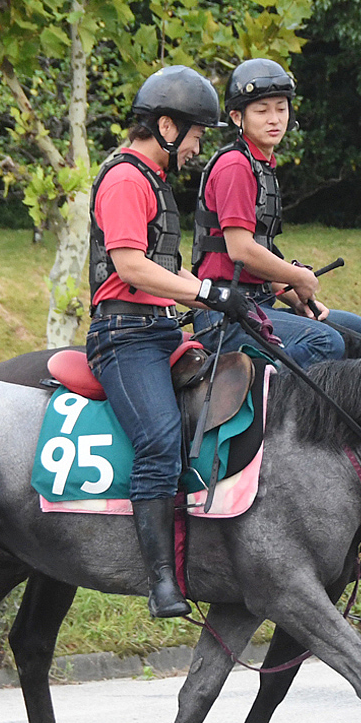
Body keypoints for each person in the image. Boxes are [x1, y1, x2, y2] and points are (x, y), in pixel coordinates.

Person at [87, 65, 244, 619]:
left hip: (158, 330)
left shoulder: (153, 181)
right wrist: (207, 291)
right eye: (197, 135)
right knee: (157, 437)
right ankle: (159, 581)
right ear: (167, 126)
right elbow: (130, 266)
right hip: (122, 337)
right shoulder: (127, 179)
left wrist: (219, 299)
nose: (199, 148)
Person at [191, 58, 361, 365]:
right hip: (224, 315)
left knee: (356, 331)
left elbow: (258, 260)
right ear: (237, 117)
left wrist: (298, 299)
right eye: (261, 111)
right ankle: (272, 399)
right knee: (324, 342)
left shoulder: (261, 167)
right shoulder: (235, 166)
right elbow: (241, 250)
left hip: (258, 305)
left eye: (281, 108)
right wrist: (298, 276)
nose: (274, 118)